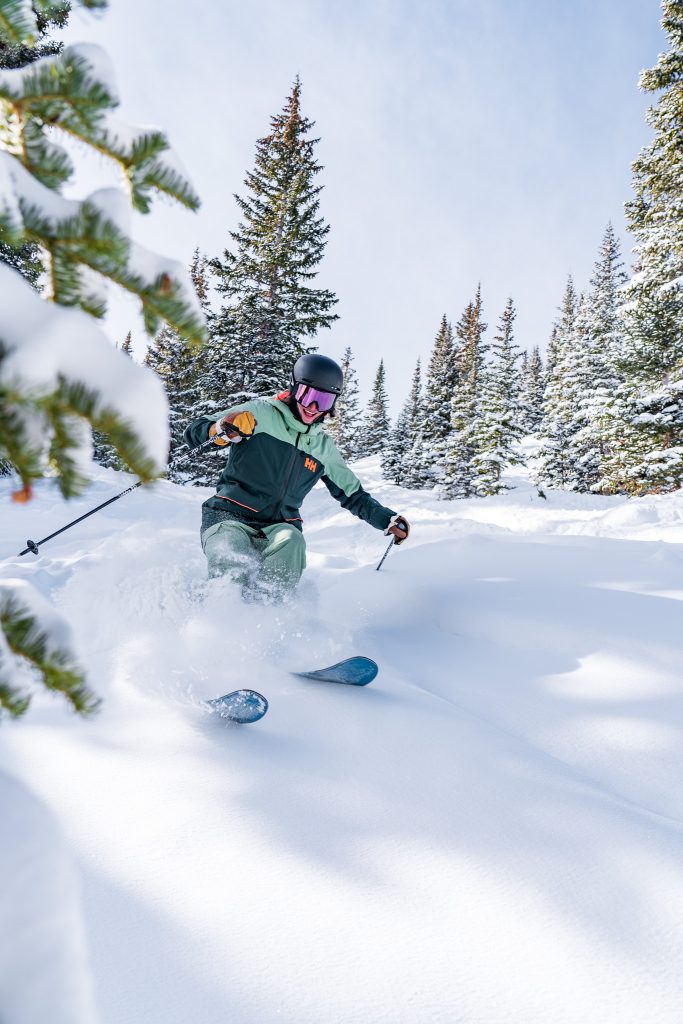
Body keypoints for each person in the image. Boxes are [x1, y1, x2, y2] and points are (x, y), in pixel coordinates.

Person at [184, 354, 410, 601]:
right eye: (308, 395)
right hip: (228, 515)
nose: (313, 407)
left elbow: (353, 495)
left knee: (291, 542)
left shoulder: (324, 448)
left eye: (323, 400)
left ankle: (267, 619)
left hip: (280, 525)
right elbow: (195, 432)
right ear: (293, 388)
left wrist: (387, 520)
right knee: (230, 553)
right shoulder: (259, 413)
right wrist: (221, 429)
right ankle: (217, 616)